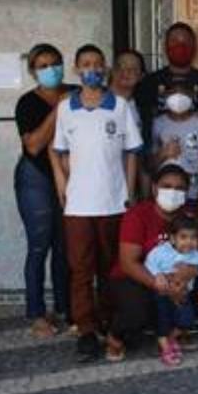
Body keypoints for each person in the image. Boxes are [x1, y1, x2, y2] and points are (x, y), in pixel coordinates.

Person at [51, 44, 143, 362]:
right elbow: (58, 150)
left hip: (113, 201)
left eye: (97, 64)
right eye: (86, 64)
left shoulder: (119, 106)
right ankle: (86, 329)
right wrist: (64, 182)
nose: (92, 68)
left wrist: (129, 191)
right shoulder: (66, 108)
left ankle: (108, 322)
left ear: (105, 69)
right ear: (77, 69)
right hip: (78, 204)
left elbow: (132, 152)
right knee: (80, 270)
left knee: (109, 268)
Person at [104, 164, 198, 362]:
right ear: (155, 188)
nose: (173, 192)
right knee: (137, 310)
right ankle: (114, 338)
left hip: (174, 275)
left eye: (180, 188)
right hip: (135, 277)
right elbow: (128, 262)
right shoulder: (138, 215)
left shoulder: (189, 216)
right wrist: (159, 285)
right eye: (167, 186)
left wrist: (190, 272)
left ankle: (174, 333)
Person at [14, 43, 73, 338]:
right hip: (36, 178)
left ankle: (65, 309)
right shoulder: (27, 103)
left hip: (71, 177)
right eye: (43, 65)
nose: (51, 70)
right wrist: (59, 109)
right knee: (39, 246)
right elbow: (34, 144)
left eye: (56, 63)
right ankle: (36, 313)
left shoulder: (76, 91)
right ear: (33, 71)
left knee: (65, 247)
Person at [144, 214, 198, 366]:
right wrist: (157, 275)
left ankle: (171, 339)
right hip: (163, 294)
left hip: (183, 296)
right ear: (172, 239)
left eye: (193, 238)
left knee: (186, 320)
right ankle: (165, 347)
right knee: (163, 319)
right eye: (183, 237)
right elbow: (149, 263)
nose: (189, 242)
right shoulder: (161, 252)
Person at [134, 22, 198, 147]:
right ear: (165, 47)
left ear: (194, 47)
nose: (180, 46)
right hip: (157, 154)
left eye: (185, 42)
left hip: (197, 152)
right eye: (174, 41)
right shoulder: (149, 82)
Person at [151, 78, 198, 208]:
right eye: (173, 92)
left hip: (192, 193)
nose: (178, 97)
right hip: (164, 194)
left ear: (192, 96)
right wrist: (164, 153)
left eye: (184, 93)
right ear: (165, 97)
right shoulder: (158, 123)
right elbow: (149, 165)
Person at [110, 49, 146, 134]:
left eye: (133, 68)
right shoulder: (97, 101)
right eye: (120, 66)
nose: (126, 71)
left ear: (141, 76)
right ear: (112, 71)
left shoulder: (142, 108)